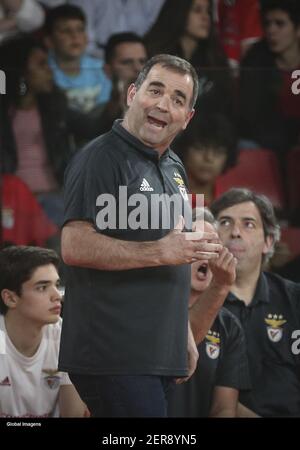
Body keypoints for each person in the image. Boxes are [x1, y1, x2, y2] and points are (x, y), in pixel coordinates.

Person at [59, 53, 223, 417]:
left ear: (187, 118)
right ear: (132, 94)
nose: (164, 105)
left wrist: (179, 332)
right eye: (155, 90)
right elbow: (73, 245)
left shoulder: (174, 165)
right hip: (114, 355)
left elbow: (175, 258)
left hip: (156, 354)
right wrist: (161, 250)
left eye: (178, 99)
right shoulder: (101, 158)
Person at [210, 188, 300, 417]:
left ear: (268, 242)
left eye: (248, 224)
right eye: (225, 223)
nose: (235, 233)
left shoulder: (294, 299)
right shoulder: (197, 302)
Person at [168, 208, 250, 417]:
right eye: (198, 244)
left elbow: (224, 408)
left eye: (213, 247)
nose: (206, 254)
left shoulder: (229, 326)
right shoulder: (152, 310)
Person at [0, 245, 87, 417]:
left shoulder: (67, 336)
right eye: (42, 287)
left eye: (57, 285)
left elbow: (73, 414)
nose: (57, 296)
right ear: (10, 298)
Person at [145, 0, 235, 119]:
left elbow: (225, 108)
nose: (205, 17)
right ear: (179, 13)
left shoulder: (215, 59)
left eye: (208, 12)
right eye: (197, 10)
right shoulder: (154, 56)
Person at [239, 0, 300, 155]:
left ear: (298, 29)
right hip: (267, 143)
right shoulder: (255, 60)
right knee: (245, 145)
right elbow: (251, 117)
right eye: (267, 24)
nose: (271, 30)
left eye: (279, 24)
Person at [45, 4, 111, 113]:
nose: (74, 36)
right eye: (66, 31)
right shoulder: (44, 71)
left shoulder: (101, 68)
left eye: (80, 30)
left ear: (86, 37)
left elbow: (104, 112)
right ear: (49, 41)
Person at [174, 113, 238, 207]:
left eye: (218, 152)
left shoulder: (231, 203)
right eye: (199, 148)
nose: (209, 158)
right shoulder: (165, 195)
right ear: (184, 149)